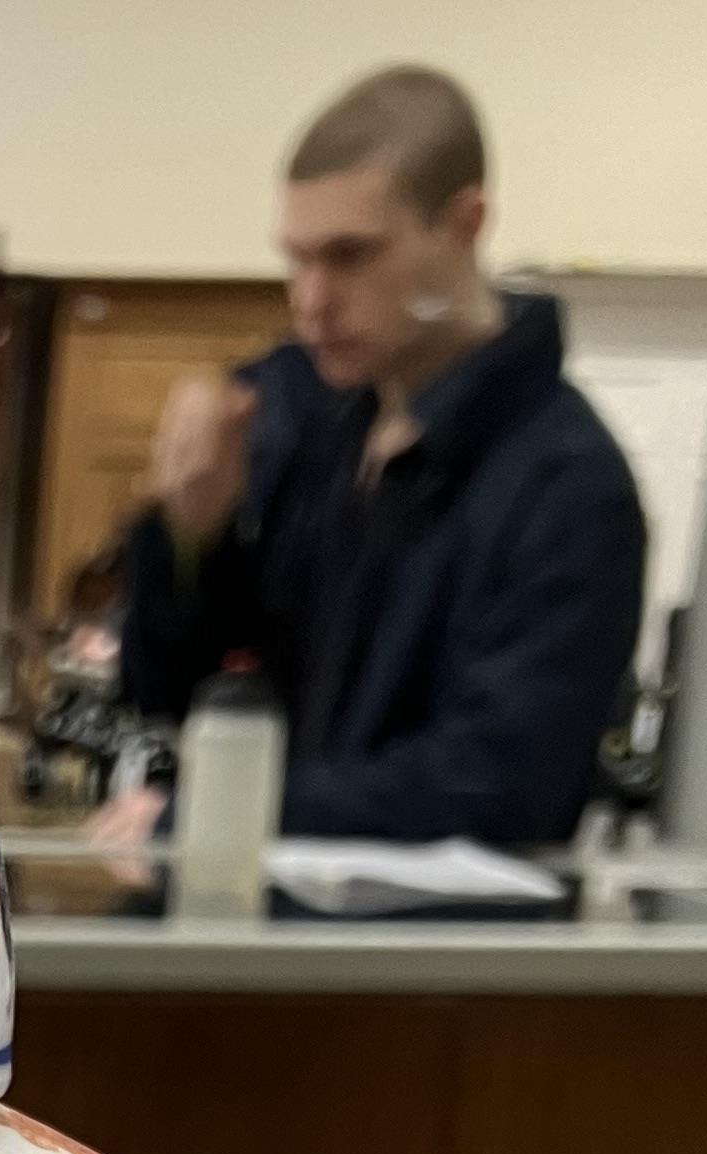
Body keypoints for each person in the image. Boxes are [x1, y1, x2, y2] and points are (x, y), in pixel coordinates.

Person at [118, 65, 644, 847]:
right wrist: (190, 537)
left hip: (430, 961)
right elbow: (171, 695)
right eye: (296, 259)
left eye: (350, 256)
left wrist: (228, 815)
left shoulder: (568, 482)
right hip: (276, 930)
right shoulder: (313, 425)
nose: (311, 299)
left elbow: (503, 787)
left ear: (465, 225)